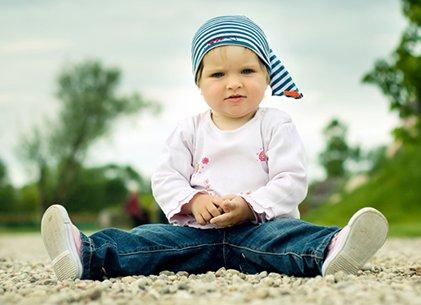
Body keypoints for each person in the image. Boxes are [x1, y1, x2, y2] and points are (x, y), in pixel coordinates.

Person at [40, 15, 388, 281]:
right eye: (218, 75)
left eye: (248, 71)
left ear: (267, 76)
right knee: (148, 240)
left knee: (289, 238)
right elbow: (166, 176)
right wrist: (194, 200)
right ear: (199, 83)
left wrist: (250, 205)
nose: (234, 83)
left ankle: (332, 249)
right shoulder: (190, 129)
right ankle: (86, 253)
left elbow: (291, 180)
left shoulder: (275, 124)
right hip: (195, 233)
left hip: (259, 229)